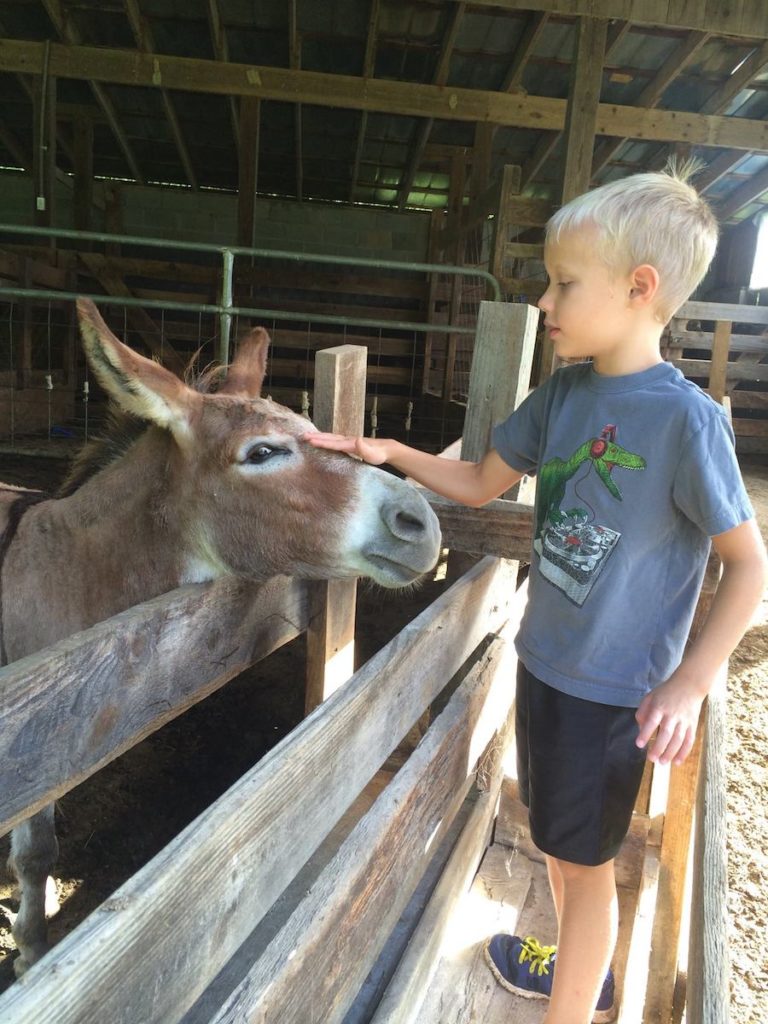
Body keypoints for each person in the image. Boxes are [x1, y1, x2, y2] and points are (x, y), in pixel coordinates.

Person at [303, 166, 767, 1023]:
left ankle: (572, 1005)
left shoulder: (684, 422)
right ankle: (576, 970)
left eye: (563, 284)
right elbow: (481, 481)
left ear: (639, 289)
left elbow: (750, 566)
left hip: (613, 693)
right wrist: (389, 452)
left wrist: (692, 680)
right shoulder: (562, 394)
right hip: (546, 664)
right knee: (559, 846)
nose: (545, 302)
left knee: (589, 870)